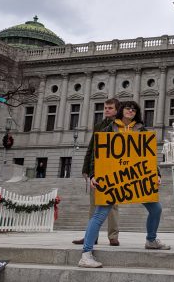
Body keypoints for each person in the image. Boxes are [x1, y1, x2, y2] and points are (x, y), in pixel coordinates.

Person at [79, 100, 169, 268]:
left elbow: (148, 155)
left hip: (137, 177)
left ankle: (151, 240)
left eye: (134, 109)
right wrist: (92, 175)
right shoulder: (108, 129)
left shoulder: (142, 130)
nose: (131, 111)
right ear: (121, 110)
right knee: (99, 214)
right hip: (113, 178)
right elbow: (96, 155)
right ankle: (86, 253)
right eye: (128, 108)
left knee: (156, 208)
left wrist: (156, 173)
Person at [72, 98, 120, 246]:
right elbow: (92, 147)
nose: (106, 110)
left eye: (110, 108)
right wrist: (86, 168)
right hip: (98, 170)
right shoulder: (99, 125)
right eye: (105, 108)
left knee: (113, 205)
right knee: (93, 205)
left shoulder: (121, 126)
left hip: (115, 170)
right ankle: (91, 236)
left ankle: (113, 236)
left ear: (117, 110)